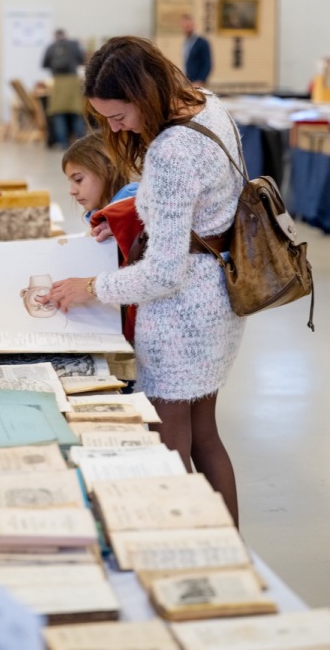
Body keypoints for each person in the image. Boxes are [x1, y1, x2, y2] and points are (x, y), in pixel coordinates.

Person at [38, 36, 245, 527]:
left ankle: (184, 548)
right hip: (219, 295)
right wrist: (134, 215)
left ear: (144, 92)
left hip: (180, 317)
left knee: (170, 448)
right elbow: (205, 206)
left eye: (117, 116)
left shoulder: (172, 148)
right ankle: (230, 548)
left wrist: (90, 286)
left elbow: (163, 273)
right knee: (204, 436)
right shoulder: (205, 105)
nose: (117, 127)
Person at [62, 132, 142, 342]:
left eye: (78, 180)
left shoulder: (129, 211)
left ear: (108, 170)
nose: (72, 191)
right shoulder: (106, 215)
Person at [42, 29, 86, 149]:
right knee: (76, 111)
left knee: (58, 113)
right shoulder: (73, 45)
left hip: (58, 81)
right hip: (72, 80)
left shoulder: (51, 47)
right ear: (65, 35)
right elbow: (82, 59)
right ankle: (80, 142)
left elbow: (44, 64)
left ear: (55, 36)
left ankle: (62, 143)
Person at [180, 13, 212, 86]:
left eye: (189, 25)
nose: (187, 27)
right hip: (188, 81)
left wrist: (201, 80)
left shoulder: (202, 43)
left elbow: (207, 64)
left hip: (197, 82)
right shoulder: (186, 43)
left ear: (194, 25)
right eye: (185, 26)